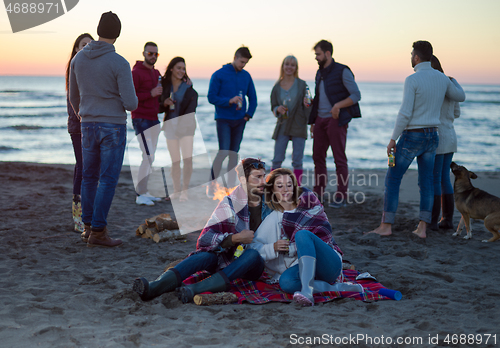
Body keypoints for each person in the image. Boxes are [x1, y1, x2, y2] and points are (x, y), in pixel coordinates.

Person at [133, 158, 271, 303]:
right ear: (243, 179)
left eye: (264, 176)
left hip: (255, 264)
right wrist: (236, 238)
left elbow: (291, 195)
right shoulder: (229, 203)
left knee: (252, 255)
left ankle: (195, 289)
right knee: (206, 256)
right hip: (228, 258)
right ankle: (153, 287)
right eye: (258, 177)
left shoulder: (271, 202)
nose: (263, 181)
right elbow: (205, 238)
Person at [366, 41, 465, 238]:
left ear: (417, 57)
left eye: (412, 54)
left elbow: (405, 112)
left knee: (393, 178)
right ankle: (422, 228)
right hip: (432, 135)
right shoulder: (442, 79)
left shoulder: (412, 79)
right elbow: (459, 97)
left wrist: (393, 138)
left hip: (413, 135)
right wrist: (452, 80)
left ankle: (386, 226)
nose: (411, 57)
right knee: (427, 182)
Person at [69, 12, 138, 247]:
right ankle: (98, 231)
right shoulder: (120, 62)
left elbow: (73, 96)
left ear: (98, 30)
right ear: (117, 34)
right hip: (113, 126)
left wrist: (83, 113)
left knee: (89, 177)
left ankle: (88, 228)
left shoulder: (78, 59)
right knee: (107, 179)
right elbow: (131, 103)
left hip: (87, 124)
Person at [249, 168, 347, 306]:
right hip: (304, 269)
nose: (285, 189)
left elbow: (324, 234)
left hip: (328, 263)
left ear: (294, 187)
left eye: (289, 185)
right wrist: (273, 247)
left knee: (302, 235)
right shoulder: (273, 218)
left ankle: (307, 292)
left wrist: (291, 248)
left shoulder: (308, 204)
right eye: (280, 186)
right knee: (286, 283)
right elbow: (253, 247)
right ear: (272, 190)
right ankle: (336, 288)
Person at [309, 40, 361, 208]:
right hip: (319, 120)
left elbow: (356, 95)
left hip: (336, 120)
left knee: (339, 159)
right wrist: (312, 121)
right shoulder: (319, 73)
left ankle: (341, 196)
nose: (316, 57)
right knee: (318, 157)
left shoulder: (342, 70)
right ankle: (318, 194)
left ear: (327, 53)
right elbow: (318, 99)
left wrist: (338, 106)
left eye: (318, 54)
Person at [207, 46, 257, 188]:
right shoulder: (219, 74)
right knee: (223, 152)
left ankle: (229, 187)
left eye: (245, 63)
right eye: (241, 62)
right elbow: (211, 97)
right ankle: (212, 184)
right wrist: (229, 101)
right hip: (223, 119)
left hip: (240, 120)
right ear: (235, 57)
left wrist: (248, 115)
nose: (243, 65)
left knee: (234, 154)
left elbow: (253, 98)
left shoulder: (246, 75)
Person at [65, 33, 93, 234]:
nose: (87, 48)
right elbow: (76, 101)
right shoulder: (75, 69)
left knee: (83, 168)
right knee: (84, 168)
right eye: (83, 45)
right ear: (76, 49)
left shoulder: (92, 69)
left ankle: (83, 215)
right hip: (78, 126)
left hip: (91, 125)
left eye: (90, 45)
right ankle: (79, 218)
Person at [159, 57, 198, 202]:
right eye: (178, 68)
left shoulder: (188, 88)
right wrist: (164, 103)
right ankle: (176, 191)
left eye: (183, 68)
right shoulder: (164, 85)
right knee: (175, 161)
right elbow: (158, 106)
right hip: (170, 127)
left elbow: (192, 108)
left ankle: (185, 192)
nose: (181, 71)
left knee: (187, 160)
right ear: (171, 69)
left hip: (186, 127)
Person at [430, 55, 461, 230]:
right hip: (450, 135)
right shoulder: (450, 83)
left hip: (438, 136)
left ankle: (434, 220)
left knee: (435, 178)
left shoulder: (434, 85)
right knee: (444, 179)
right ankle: (447, 219)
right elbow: (456, 113)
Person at [270, 55, 311, 186]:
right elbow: (273, 106)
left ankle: (297, 188)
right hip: (283, 125)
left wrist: (308, 104)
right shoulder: (277, 87)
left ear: (296, 68)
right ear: (283, 66)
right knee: (277, 160)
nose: (289, 67)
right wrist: (278, 109)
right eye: (287, 64)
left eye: (292, 65)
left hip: (299, 125)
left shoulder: (302, 84)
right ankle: (273, 187)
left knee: (297, 161)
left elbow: (309, 105)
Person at [131, 42, 163, 206]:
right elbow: (131, 96)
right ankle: (139, 194)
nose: (153, 56)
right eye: (150, 53)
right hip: (140, 118)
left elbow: (159, 95)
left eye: (155, 54)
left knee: (150, 157)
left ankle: (144, 191)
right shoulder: (136, 72)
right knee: (147, 155)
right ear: (143, 53)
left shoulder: (156, 73)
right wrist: (150, 94)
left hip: (154, 118)